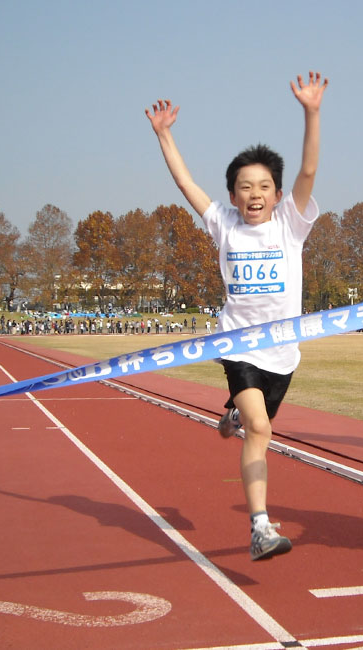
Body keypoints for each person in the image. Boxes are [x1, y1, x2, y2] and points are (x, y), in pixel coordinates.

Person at [146, 71, 328, 560]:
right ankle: (260, 528)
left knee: (252, 425)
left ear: (276, 194)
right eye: (244, 186)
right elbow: (186, 183)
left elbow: (308, 172)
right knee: (262, 432)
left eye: (264, 186)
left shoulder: (291, 225)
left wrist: (311, 112)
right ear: (231, 195)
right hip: (237, 346)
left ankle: (231, 414)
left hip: (283, 356)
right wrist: (166, 135)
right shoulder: (224, 225)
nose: (253, 194)